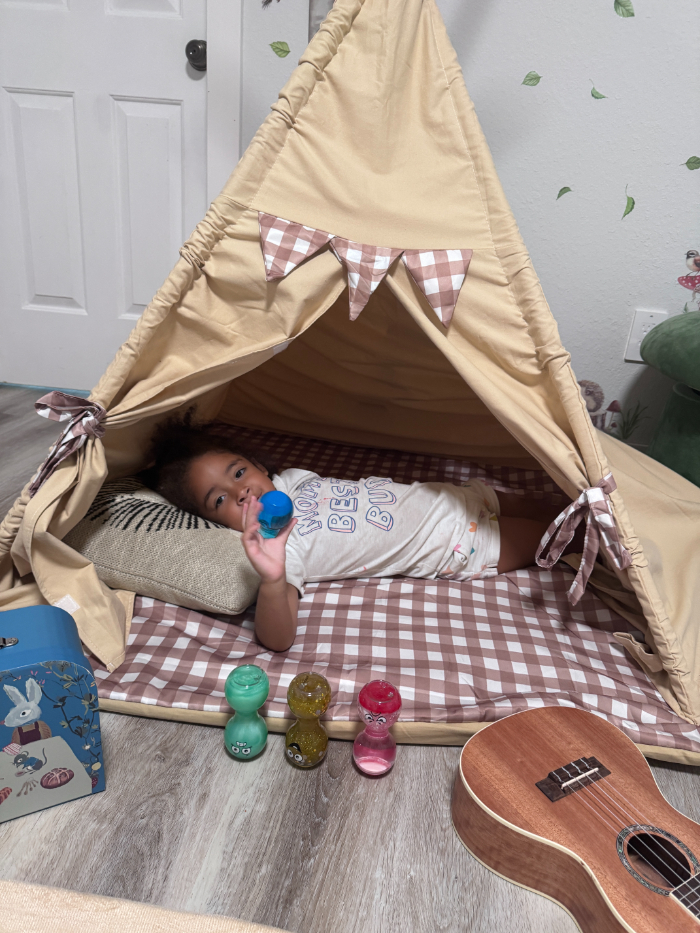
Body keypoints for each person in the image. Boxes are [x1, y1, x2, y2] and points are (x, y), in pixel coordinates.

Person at [148, 415, 578, 653]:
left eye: (239, 473)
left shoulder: (292, 478)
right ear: (216, 522)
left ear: (258, 466)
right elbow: (277, 638)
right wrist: (273, 579)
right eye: (220, 500)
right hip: (459, 544)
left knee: (572, 507)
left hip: (460, 497)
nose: (240, 491)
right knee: (565, 537)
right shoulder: (277, 547)